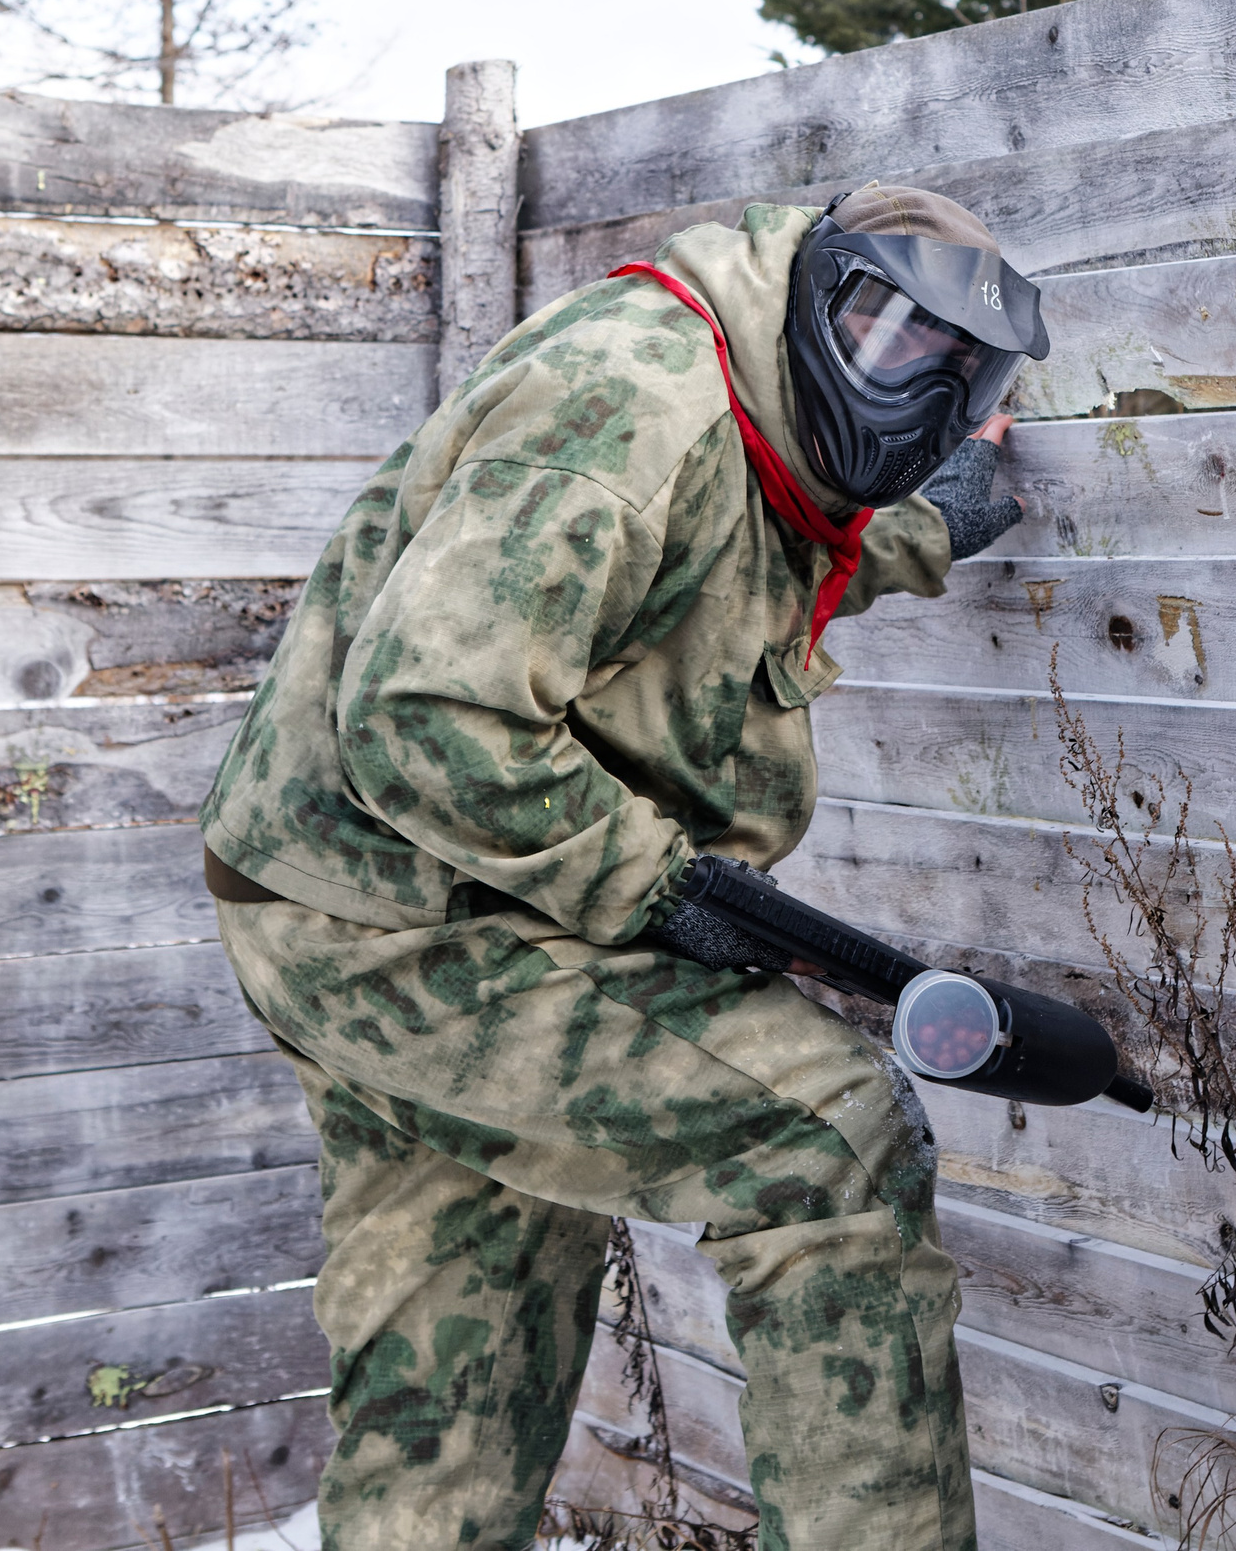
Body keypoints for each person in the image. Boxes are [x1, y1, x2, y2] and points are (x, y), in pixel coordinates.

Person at [197, 184, 1050, 1551]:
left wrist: (928, 522)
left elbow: (750, 533)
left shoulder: (744, 406)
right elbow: (427, 717)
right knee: (827, 1137)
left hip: (381, 899)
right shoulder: (630, 404)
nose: (912, 393)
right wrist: (661, 890)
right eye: (889, 339)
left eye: (955, 373)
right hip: (410, 921)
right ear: (815, 293)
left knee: (458, 1369)